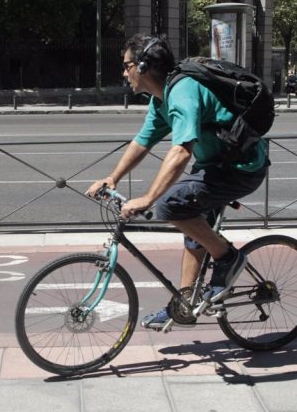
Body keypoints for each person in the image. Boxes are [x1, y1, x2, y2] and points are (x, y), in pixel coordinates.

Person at [86, 34, 268, 330]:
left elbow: (182, 150)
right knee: (193, 229)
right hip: (214, 166)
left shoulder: (183, 92)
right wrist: (112, 177)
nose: (123, 72)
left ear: (143, 67)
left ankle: (228, 258)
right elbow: (142, 142)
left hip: (241, 168)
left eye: (127, 65)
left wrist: (147, 199)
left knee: (171, 204)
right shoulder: (161, 99)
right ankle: (183, 306)